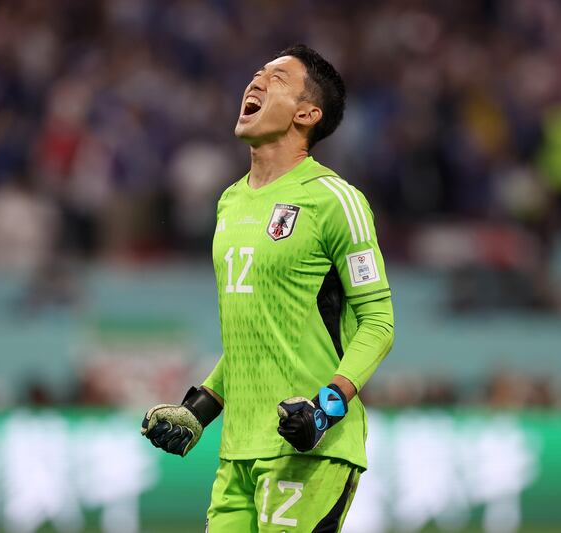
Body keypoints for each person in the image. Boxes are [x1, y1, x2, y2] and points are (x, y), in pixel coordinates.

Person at [141, 44, 394, 532]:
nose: (255, 82)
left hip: (310, 446)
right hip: (239, 451)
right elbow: (253, 337)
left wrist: (326, 408)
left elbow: (379, 323)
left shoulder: (335, 200)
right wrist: (199, 410)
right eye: (255, 74)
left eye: (276, 78)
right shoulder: (230, 203)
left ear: (307, 113)